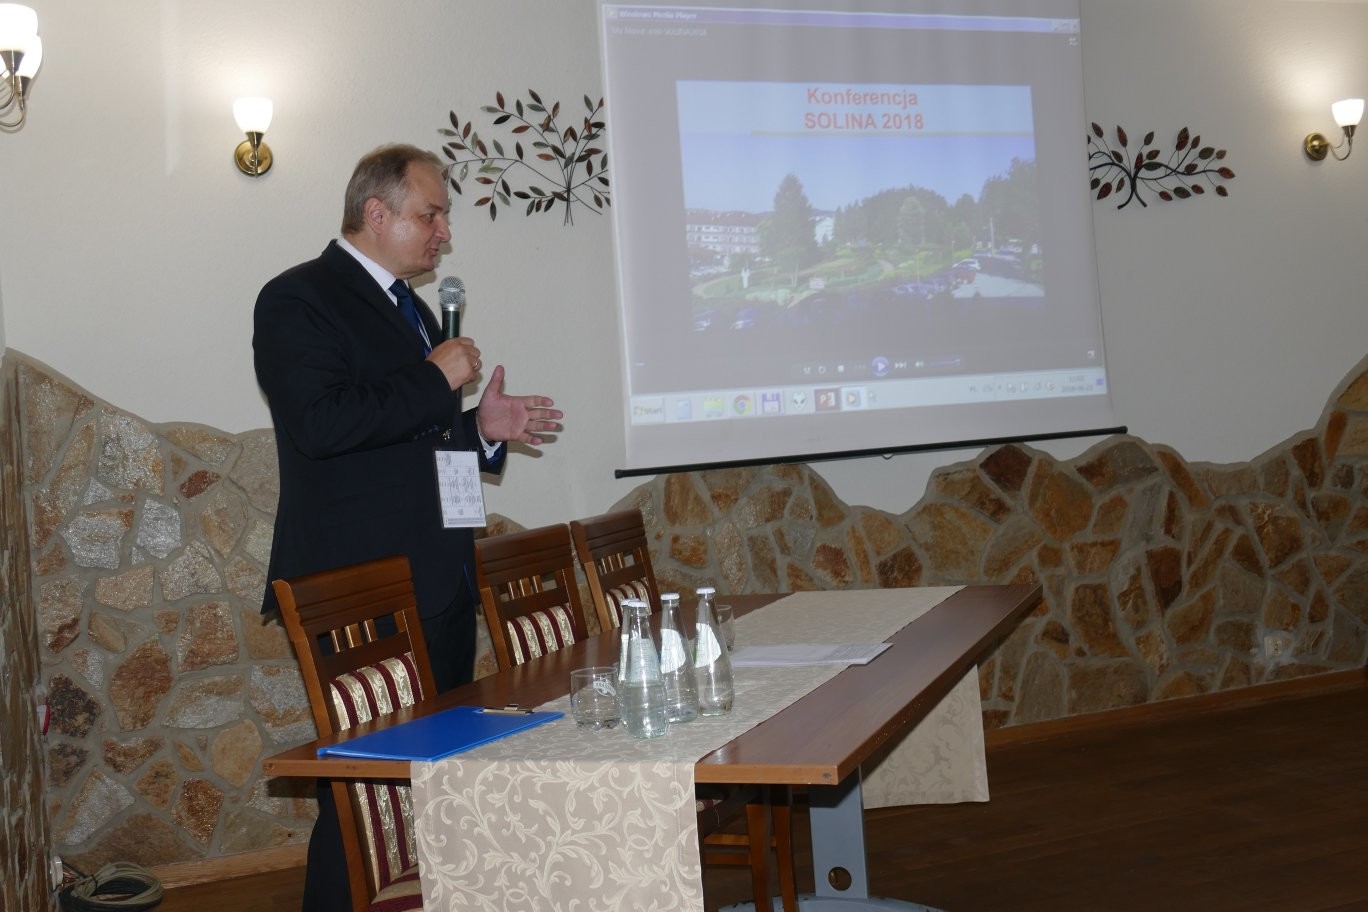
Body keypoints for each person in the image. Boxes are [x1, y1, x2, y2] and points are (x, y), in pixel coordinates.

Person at [252, 142, 562, 912]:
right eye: (431, 215)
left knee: (431, 784)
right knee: (362, 793)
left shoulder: (413, 311)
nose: (444, 232)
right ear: (376, 212)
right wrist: (434, 378)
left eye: (444, 217)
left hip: (437, 581)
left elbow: (413, 437)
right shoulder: (298, 298)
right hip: (356, 590)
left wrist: (480, 429)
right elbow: (322, 425)